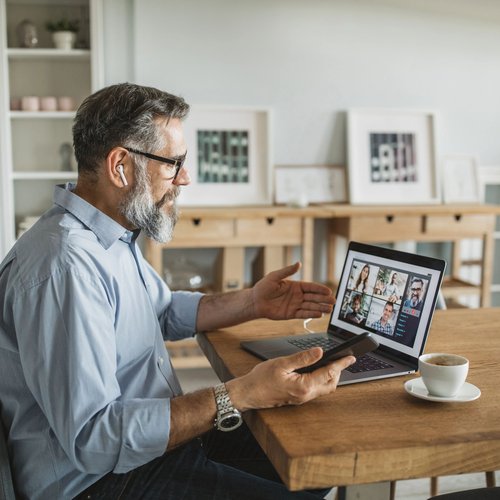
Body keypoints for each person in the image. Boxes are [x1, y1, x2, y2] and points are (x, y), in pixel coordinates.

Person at [0, 83, 356, 500]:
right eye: (174, 163)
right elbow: (93, 440)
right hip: (97, 482)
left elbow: (163, 310)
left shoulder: (108, 236)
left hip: (144, 446)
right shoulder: (64, 266)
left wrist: (253, 302)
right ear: (121, 167)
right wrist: (239, 393)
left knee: (313, 456)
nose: (185, 178)